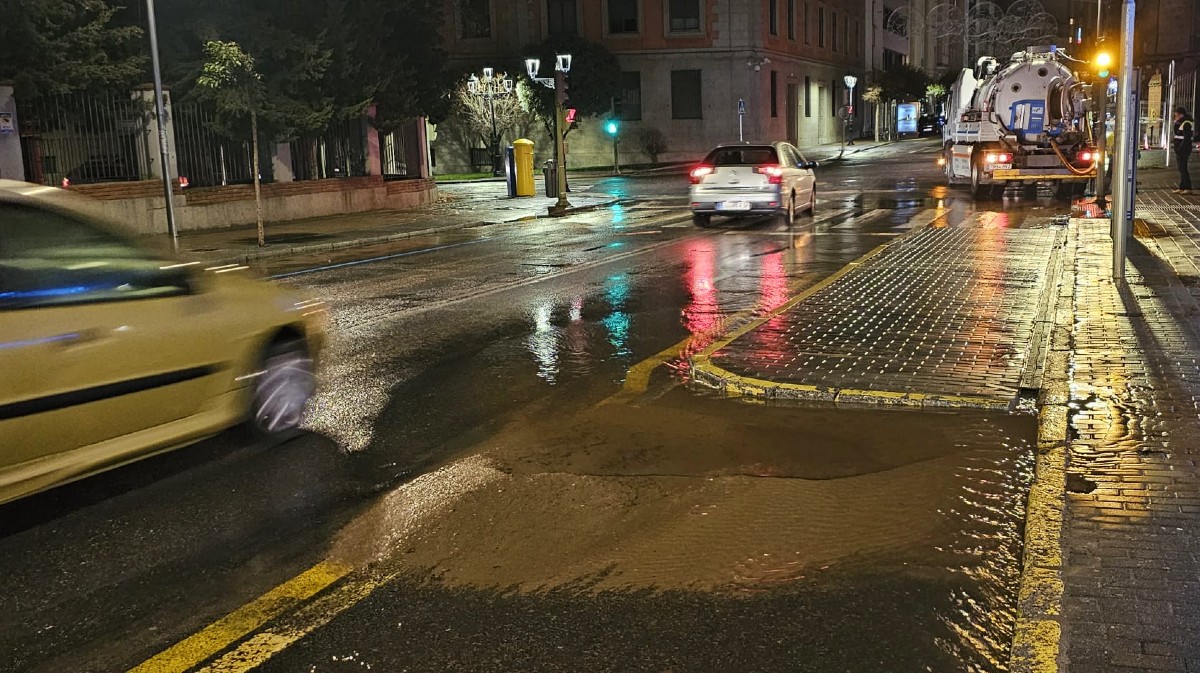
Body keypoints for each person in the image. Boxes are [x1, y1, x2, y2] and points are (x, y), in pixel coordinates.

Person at [1171, 106, 1195, 194]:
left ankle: (1188, 188)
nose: (1175, 117)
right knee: (1181, 168)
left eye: (1176, 115)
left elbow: (1186, 138)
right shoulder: (1181, 123)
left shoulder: (1186, 123)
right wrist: (1176, 123)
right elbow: (1177, 133)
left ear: (1181, 115)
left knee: (1183, 168)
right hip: (1180, 149)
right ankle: (1182, 187)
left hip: (1184, 149)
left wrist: (1180, 149)